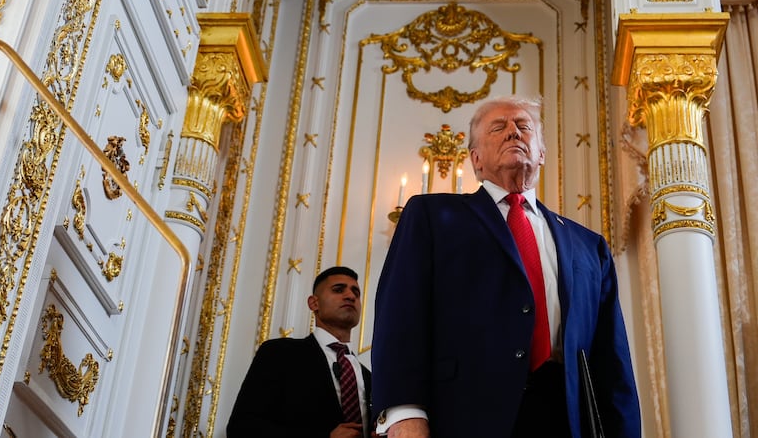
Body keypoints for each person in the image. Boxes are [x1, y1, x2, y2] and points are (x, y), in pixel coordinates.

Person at [370, 95, 641, 438]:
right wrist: (403, 413)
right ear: (476, 159)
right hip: (462, 416)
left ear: (541, 153)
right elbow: (400, 316)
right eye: (499, 127)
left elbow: (611, 357)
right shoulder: (431, 216)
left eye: (523, 126)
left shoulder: (588, 245)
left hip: (566, 419)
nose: (513, 132)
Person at [227, 266, 373, 438]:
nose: (350, 296)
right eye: (338, 290)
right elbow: (242, 428)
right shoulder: (279, 354)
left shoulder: (370, 377)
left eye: (356, 292)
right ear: (314, 303)